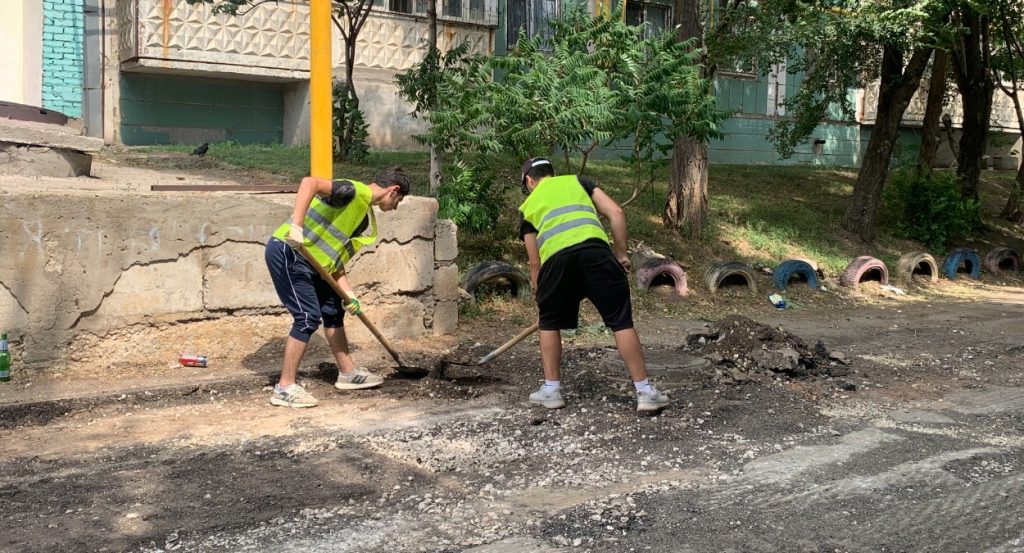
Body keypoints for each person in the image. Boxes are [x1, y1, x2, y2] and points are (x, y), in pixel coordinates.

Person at [518, 157, 669, 413]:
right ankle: (644, 393)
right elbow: (616, 213)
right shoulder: (578, 182)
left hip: (556, 262)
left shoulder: (528, 206)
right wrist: (621, 254)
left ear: (529, 181)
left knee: (549, 323)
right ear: (552, 174)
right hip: (597, 254)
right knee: (621, 322)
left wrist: (540, 292)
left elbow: (535, 262)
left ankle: (552, 392)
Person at [264, 168, 410, 408]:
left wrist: (349, 294)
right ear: (393, 190)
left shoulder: (363, 217)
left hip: (315, 262)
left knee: (333, 308)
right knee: (307, 317)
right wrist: (296, 227)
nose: (395, 207)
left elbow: (334, 259)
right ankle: (284, 387)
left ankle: (348, 373)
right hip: (289, 250)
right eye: (399, 201)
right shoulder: (352, 191)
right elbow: (309, 182)